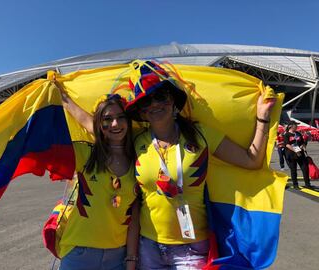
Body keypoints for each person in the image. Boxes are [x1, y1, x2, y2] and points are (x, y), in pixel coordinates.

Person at [124, 60, 276, 269]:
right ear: (141, 112)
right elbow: (101, 130)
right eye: (145, 102)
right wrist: (66, 100)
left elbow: (252, 160)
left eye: (160, 97)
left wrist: (263, 117)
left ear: (173, 102)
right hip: (149, 247)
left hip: (191, 250)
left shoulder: (201, 135)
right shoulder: (136, 142)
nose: (154, 104)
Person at [53, 79, 139, 270]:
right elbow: (83, 121)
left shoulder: (140, 159)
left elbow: (135, 217)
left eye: (121, 117)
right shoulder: (86, 154)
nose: (115, 124)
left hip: (118, 256)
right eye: (107, 119)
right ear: (99, 124)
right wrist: (62, 97)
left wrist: (131, 259)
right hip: (79, 253)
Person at [284, 120, 312, 189]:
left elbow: (302, 142)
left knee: (305, 168)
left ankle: (307, 184)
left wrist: (303, 146)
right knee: (293, 170)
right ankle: (295, 184)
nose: (297, 126)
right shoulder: (287, 134)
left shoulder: (298, 133)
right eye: (295, 125)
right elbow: (287, 145)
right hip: (291, 155)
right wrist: (295, 150)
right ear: (291, 126)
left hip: (300, 154)